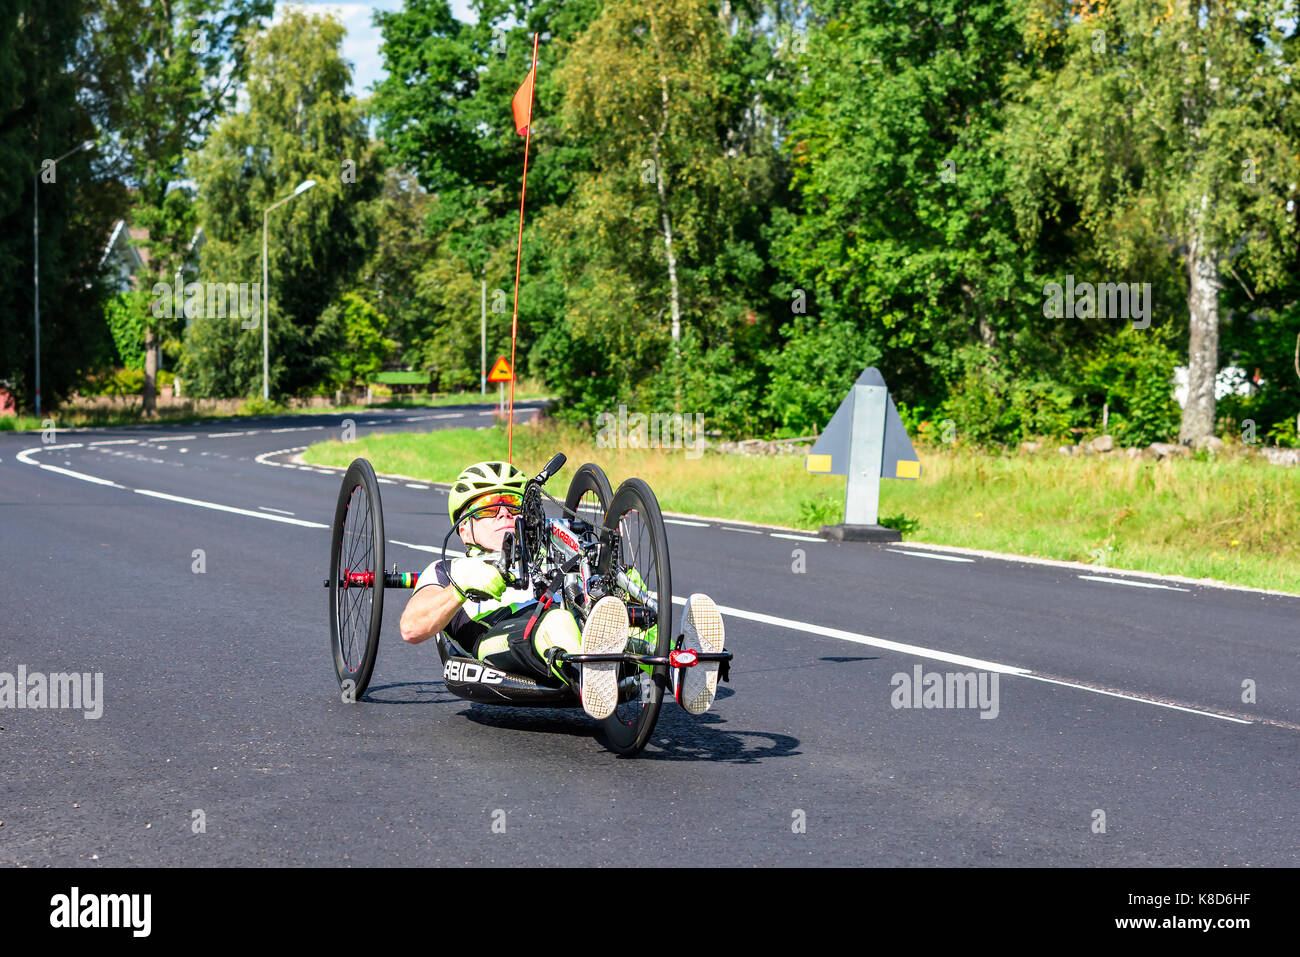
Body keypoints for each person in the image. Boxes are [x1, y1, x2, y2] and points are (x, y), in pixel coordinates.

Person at [398, 460, 726, 720]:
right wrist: (459, 589)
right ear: (464, 526)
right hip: (499, 640)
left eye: (512, 506)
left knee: (621, 615)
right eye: (487, 508)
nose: (503, 516)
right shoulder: (447, 569)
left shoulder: (547, 549)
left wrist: (615, 575)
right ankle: (588, 676)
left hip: (580, 629)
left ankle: (680, 671)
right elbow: (412, 627)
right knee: (555, 622)